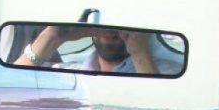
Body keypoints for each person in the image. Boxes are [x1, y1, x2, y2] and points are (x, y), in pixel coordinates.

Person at [14, 25, 182, 75]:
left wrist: (140, 53)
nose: (110, 32)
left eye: (119, 25)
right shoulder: (67, 73)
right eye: (101, 26)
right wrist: (53, 35)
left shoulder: (168, 71)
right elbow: (15, 79)